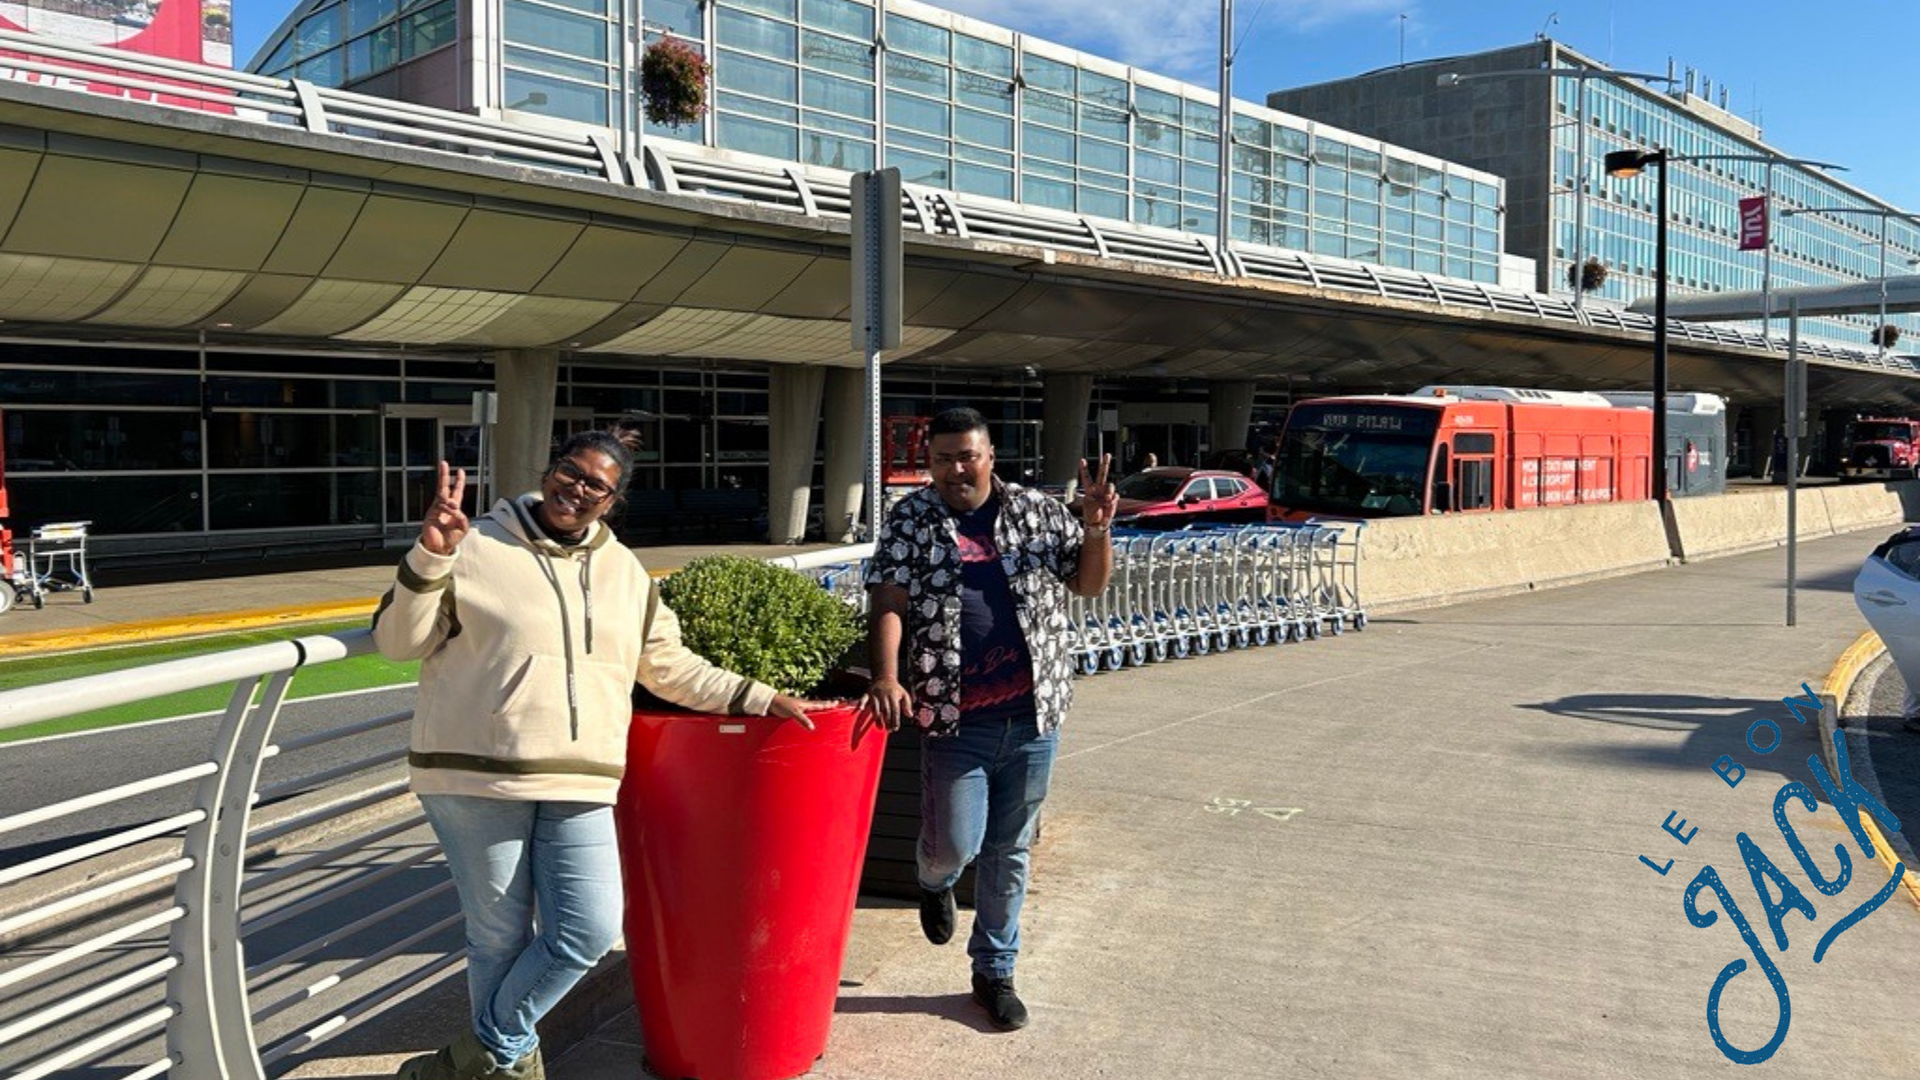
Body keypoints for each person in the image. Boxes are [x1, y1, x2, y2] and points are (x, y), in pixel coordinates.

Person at [373, 427, 830, 1080]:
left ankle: (469, 1061)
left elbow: (668, 667)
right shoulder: (476, 546)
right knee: (498, 939)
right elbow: (398, 643)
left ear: (613, 501)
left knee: (587, 930)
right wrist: (431, 555)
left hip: (583, 778)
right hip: (473, 776)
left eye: (597, 484)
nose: (577, 489)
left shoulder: (626, 575)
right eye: (570, 471)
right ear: (549, 469)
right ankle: (509, 1070)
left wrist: (756, 696)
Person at [862, 407, 1117, 1031]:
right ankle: (933, 880)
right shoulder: (912, 519)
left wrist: (1096, 531)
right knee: (953, 844)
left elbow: (1088, 585)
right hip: (956, 719)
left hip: (1034, 717)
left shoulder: (1036, 511)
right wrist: (887, 676)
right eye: (943, 459)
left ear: (990, 456)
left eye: (967, 456)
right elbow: (889, 599)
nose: (956, 469)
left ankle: (995, 972)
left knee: (1010, 850)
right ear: (930, 464)